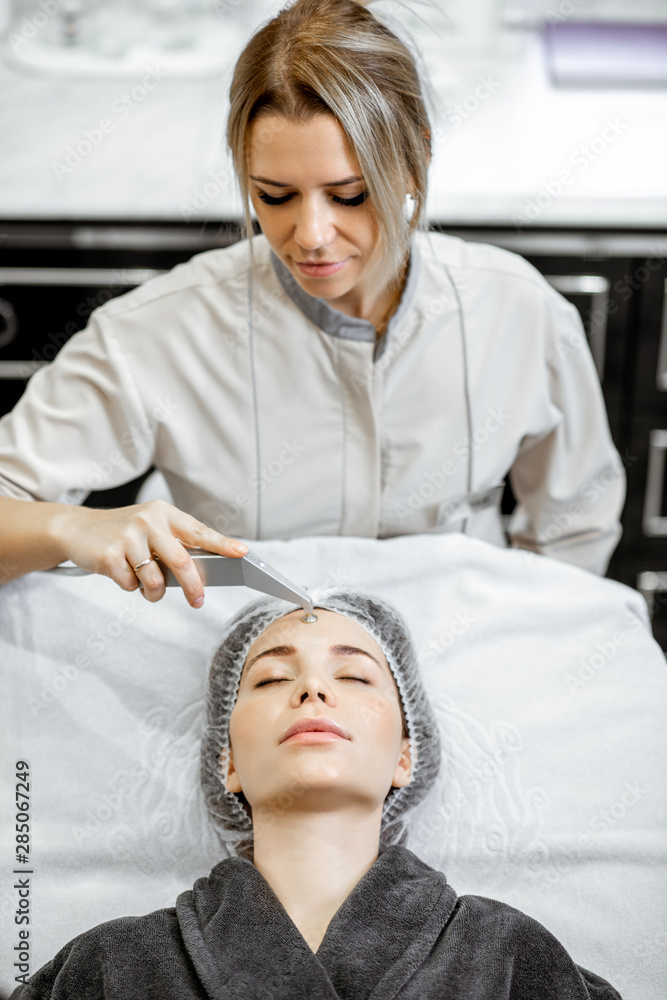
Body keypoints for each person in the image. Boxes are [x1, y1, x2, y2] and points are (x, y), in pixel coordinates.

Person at [0, 0, 625, 610]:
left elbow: (573, 538)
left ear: (416, 160)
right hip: (250, 673)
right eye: (274, 196)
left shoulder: (517, 312)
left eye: (350, 195)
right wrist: (70, 529)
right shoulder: (162, 332)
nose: (312, 235)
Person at [10, 591, 622, 999]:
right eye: (273, 678)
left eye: (353, 675)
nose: (311, 688)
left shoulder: (509, 954)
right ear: (228, 764)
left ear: (407, 755)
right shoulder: (109, 967)